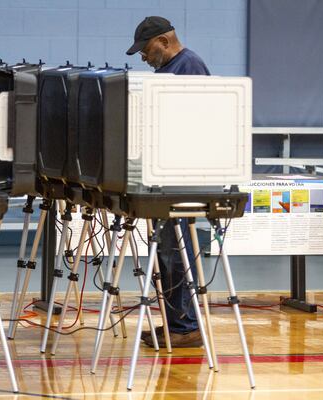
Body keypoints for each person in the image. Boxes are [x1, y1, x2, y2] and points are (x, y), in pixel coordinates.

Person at [126, 16, 210, 348]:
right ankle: (176, 323)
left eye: (145, 51)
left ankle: (186, 327)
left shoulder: (189, 66)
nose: (144, 58)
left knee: (176, 254)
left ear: (163, 41)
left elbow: (193, 125)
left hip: (181, 180)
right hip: (163, 179)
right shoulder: (167, 71)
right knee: (167, 254)